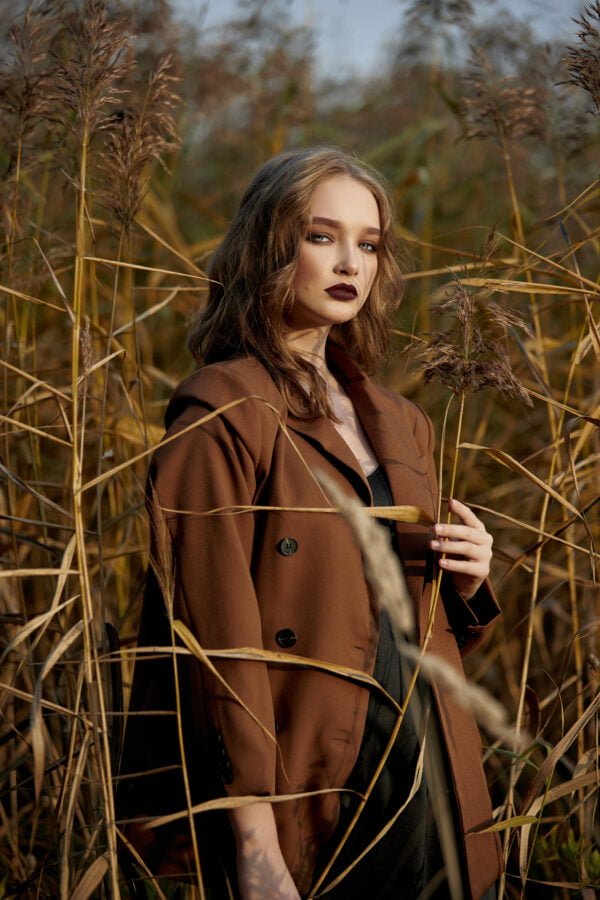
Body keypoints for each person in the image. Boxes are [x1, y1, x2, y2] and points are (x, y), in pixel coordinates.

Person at [118, 146, 503, 899]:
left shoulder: (401, 421)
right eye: (321, 236)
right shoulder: (222, 409)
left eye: (368, 243)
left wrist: (469, 577)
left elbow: (419, 627)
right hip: (312, 777)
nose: (348, 262)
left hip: (432, 768)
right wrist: (255, 841)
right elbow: (211, 644)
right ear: (269, 245)